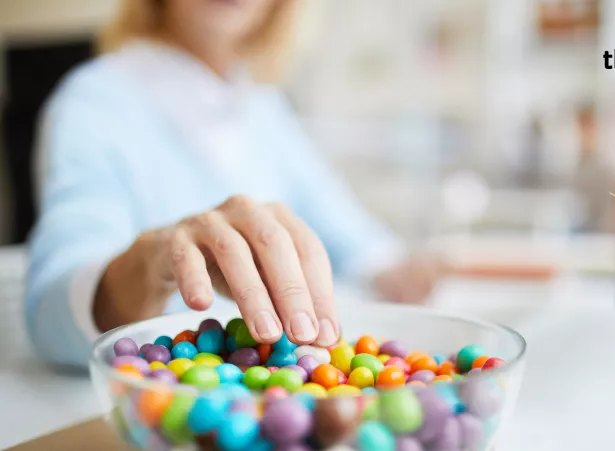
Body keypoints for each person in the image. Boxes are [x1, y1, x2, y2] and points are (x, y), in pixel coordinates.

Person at [26, 0, 441, 367]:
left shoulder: (263, 107)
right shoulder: (92, 101)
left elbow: (352, 234)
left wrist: (401, 265)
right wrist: (155, 262)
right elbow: (51, 312)